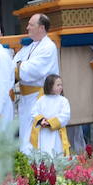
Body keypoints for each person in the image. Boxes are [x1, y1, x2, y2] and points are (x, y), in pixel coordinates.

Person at [14, 12, 59, 156]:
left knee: (37, 134)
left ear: (41, 28)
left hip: (39, 97)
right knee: (25, 133)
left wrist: (19, 65)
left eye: (31, 25)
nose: (27, 27)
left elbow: (33, 70)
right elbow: (14, 64)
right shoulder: (29, 46)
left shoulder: (48, 47)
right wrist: (20, 65)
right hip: (26, 98)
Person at [29, 73, 71, 156]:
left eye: (61, 85)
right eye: (58, 85)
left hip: (56, 133)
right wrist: (41, 120)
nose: (60, 87)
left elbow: (65, 115)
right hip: (44, 132)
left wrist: (51, 123)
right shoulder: (41, 100)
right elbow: (34, 112)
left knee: (57, 151)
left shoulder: (63, 100)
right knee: (44, 152)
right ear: (50, 86)